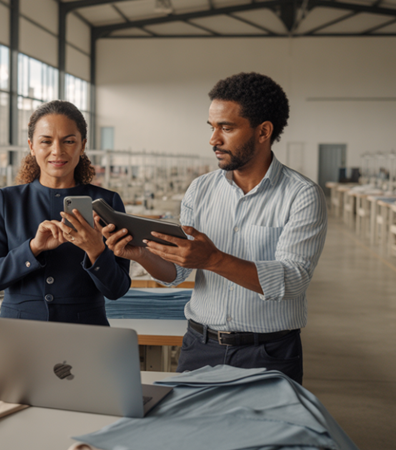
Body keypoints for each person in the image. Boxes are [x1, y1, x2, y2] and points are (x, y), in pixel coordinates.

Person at [102, 72, 327, 384]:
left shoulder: (301, 195)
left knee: (263, 435)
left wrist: (212, 259)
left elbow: (292, 281)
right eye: (212, 127)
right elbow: (176, 273)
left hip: (268, 352)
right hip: (200, 346)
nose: (213, 139)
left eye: (227, 128)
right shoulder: (200, 190)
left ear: (263, 131)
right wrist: (142, 254)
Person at [0, 100, 130, 325]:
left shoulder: (107, 202)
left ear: (82, 145)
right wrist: (33, 248)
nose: (57, 151)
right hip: (19, 330)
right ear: (31, 146)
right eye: (46, 141)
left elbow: (117, 289)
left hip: (85, 330)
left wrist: (96, 251)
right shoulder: (6, 200)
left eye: (69, 141)